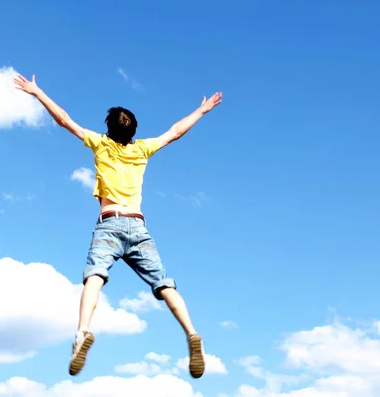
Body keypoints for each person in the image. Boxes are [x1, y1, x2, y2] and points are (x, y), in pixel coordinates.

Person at [13, 73, 223, 379]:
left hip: (109, 225)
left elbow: (64, 120)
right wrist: (201, 111)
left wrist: (37, 92)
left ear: (108, 130)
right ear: (134, 131)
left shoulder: (100, 145)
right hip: (139, 227)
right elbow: (175, 132)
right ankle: (192, 333)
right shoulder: (142, 150)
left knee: (94, 277)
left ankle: (83, 332)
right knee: (164, 283)